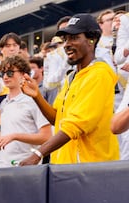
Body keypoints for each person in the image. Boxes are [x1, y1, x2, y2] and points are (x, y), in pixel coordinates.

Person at [19, 13, 120, 166]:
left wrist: (38, 154)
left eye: (74, 38)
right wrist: (37, 96)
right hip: (68, 167)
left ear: (91, 40)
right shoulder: (71, 77)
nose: (66, 44)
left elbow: (75, 125)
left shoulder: (100, 73)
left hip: (93, 169)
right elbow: (58, 119)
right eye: (65, 39)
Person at [0, 56, 51, 167]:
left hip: (26, 165)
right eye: (2, 74)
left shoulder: (33, 101)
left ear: (24, 74)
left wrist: (15, 136)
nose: (5, 77)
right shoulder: (4, 103)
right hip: (2, 164)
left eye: (10, 73)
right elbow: (10, 133)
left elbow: (46, 137)